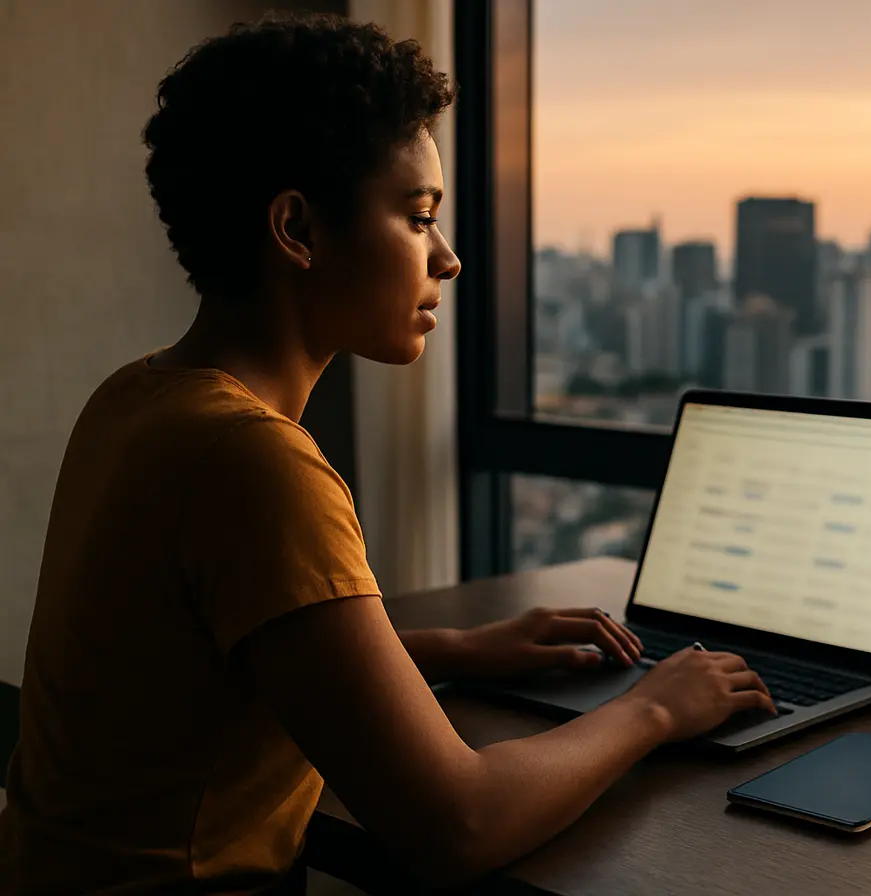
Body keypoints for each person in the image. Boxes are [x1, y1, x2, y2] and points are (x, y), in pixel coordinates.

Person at [0, 13, 773, 894]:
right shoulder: (252, 461)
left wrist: (454, 649)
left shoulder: (136, 399)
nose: (445, 258)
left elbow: (233, 656)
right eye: (417, 217)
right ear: (297, 228)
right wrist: (656, 709)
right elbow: (459, 823)